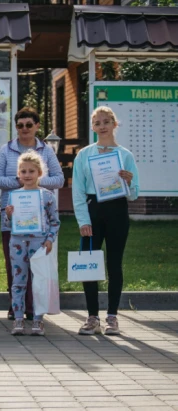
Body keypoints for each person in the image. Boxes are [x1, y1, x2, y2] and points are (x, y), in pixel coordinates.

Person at [0, 107, 64, 321]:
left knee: (37, 267)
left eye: (29, 125)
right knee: (14, 267)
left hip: (40, 225)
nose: (24, 129)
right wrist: (18, 182)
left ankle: (34, 309)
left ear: (37, 126)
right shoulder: (7, 150)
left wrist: (35, 182)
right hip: (13, 221)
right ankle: (16, 308)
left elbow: (59, 179)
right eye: (20, 125)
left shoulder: (46, 151)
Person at [72, 106, 139, 336]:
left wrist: (128, 182)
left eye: (106, 122)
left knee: (114, 264)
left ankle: (112, 316)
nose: (102, 126)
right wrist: (83, 220)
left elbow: (134, 193)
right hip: (92, 209)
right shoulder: (84, 154)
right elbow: (78, 190)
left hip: (117, 209)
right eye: (97, 123)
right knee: (89, 263)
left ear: (114, 124)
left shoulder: (125, 155)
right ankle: (92, 317)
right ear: (93, 127)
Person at [4, 151, 60, 336]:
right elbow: (7, 224)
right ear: (18, 174)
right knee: (18, 281)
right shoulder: (14, 196)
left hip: (39, 244)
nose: (27, 175)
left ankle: (37, 320)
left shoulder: (47, 196)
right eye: (23, 171)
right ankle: (18, 319)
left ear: (39, 173)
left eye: (31, 171)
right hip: (18, 243)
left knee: (39, 282)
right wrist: (9, 215)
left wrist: (50, 240)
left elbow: (55, 221)